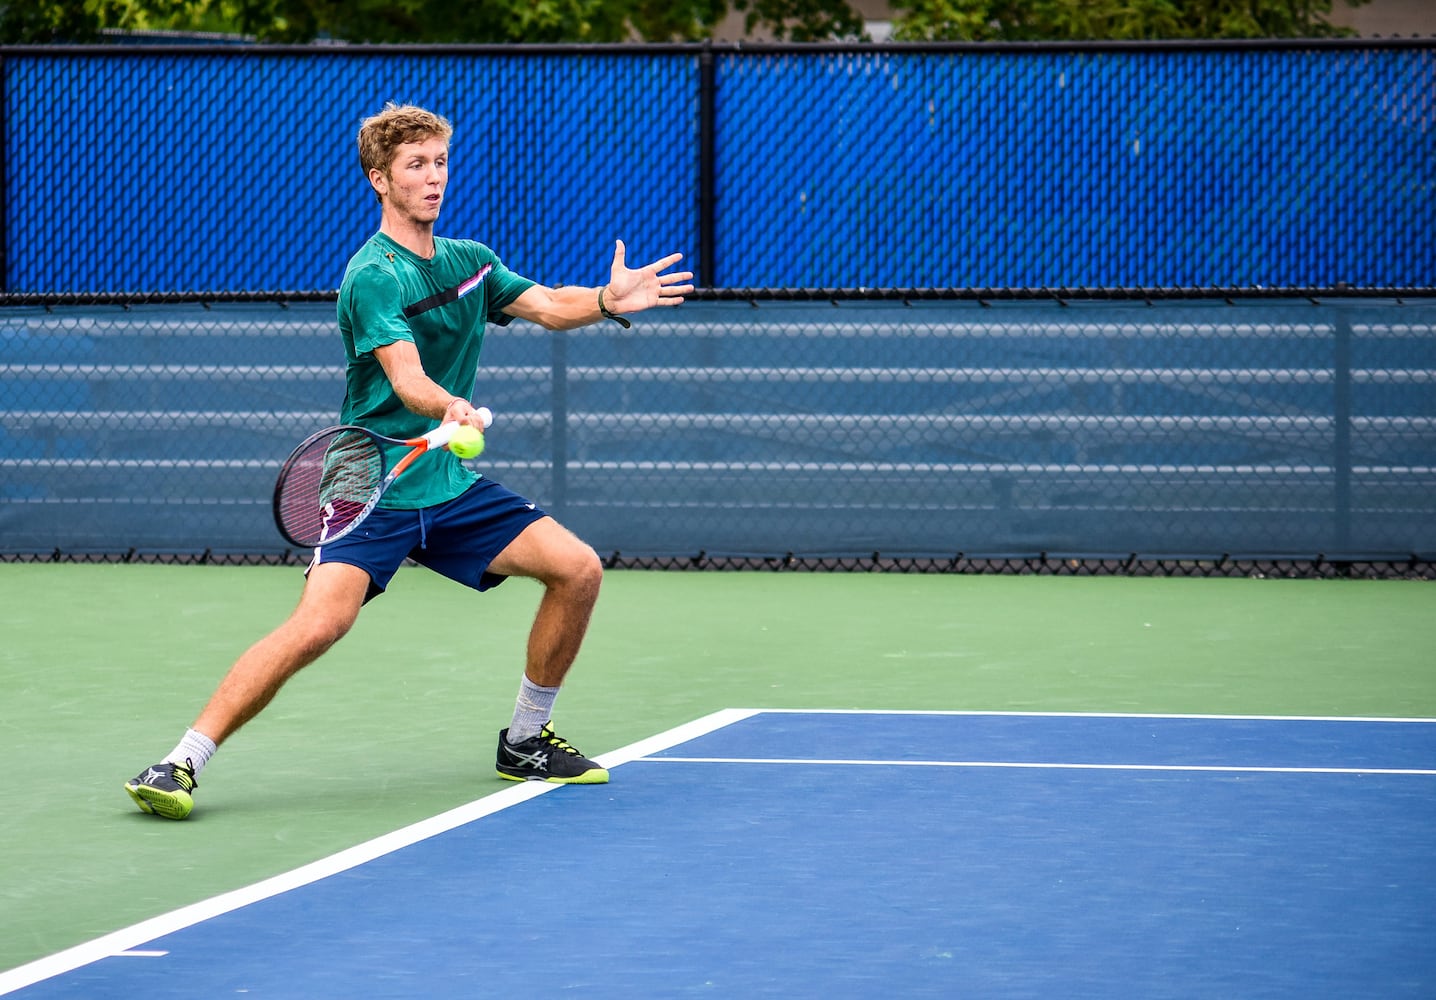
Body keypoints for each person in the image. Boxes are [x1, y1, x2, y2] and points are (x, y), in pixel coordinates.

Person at [124, 103, 693, 820]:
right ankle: (181, 762)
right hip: (370, 480)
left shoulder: (469, 261)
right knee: (319, 626)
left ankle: (524, 740)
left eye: (440, 162)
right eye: (415, 166)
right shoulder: (372, 276)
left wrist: (607, 300)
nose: (433, 178)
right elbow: (406, 377)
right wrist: (447, 405)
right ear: (379, 180)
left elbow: (547, 303)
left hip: (445, 481)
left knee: (577, 569)